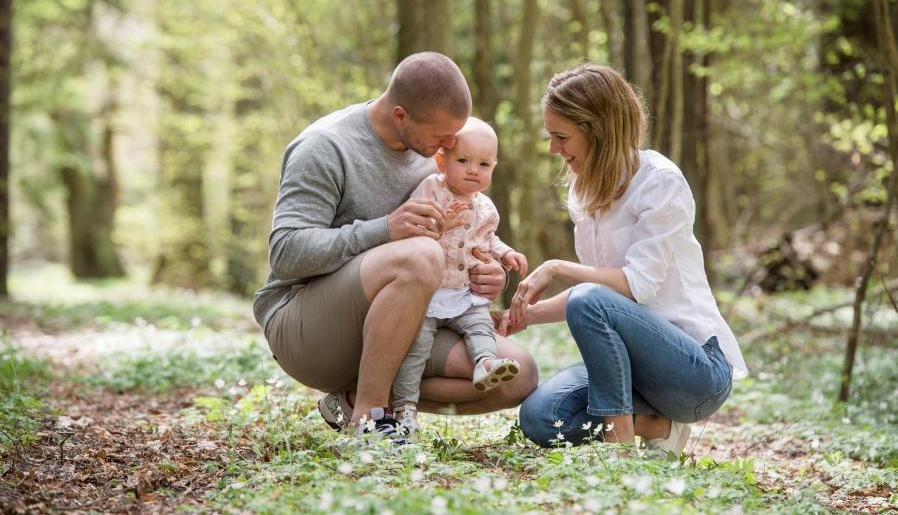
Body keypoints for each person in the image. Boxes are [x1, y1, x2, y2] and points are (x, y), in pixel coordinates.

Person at [253, 52, 537, 442]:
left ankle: (355, 398)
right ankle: (370, 421)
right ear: (401, 115)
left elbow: (463, 239)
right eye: (441, 137)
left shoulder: (435, 156)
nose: (449, 146)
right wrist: (385, 229)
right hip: (307, 328)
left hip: (407, 323)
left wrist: (488, 274)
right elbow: (286, 254)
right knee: (420, 255)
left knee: (516, 374)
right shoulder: (325, 146)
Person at [497, 62, 747, 456]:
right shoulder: (584, 193)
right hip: (629, 372)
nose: (553, 149)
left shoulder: (660, 181)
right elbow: (601, 301)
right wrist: (520, 317)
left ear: (597, 131)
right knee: (541, 416)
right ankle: (657, 426)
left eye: (561, 136)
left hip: (695, 372)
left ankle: (620, 443)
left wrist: (556, 267)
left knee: (587, 297)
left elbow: (636, 286)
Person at [391, 118, 528, 434]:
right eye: (463, 161)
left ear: (494, 168)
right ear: (442, 161)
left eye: (484, 164)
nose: (473, 170)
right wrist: (441, 225)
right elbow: (412, 231)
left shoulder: (486, 207)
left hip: (464, 296)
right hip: (427, 293)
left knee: (480, 327)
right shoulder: (432, 190)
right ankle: (405, 409)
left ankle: (485, 364)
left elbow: (488, 237)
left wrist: (505, 253)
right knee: (417, 348)